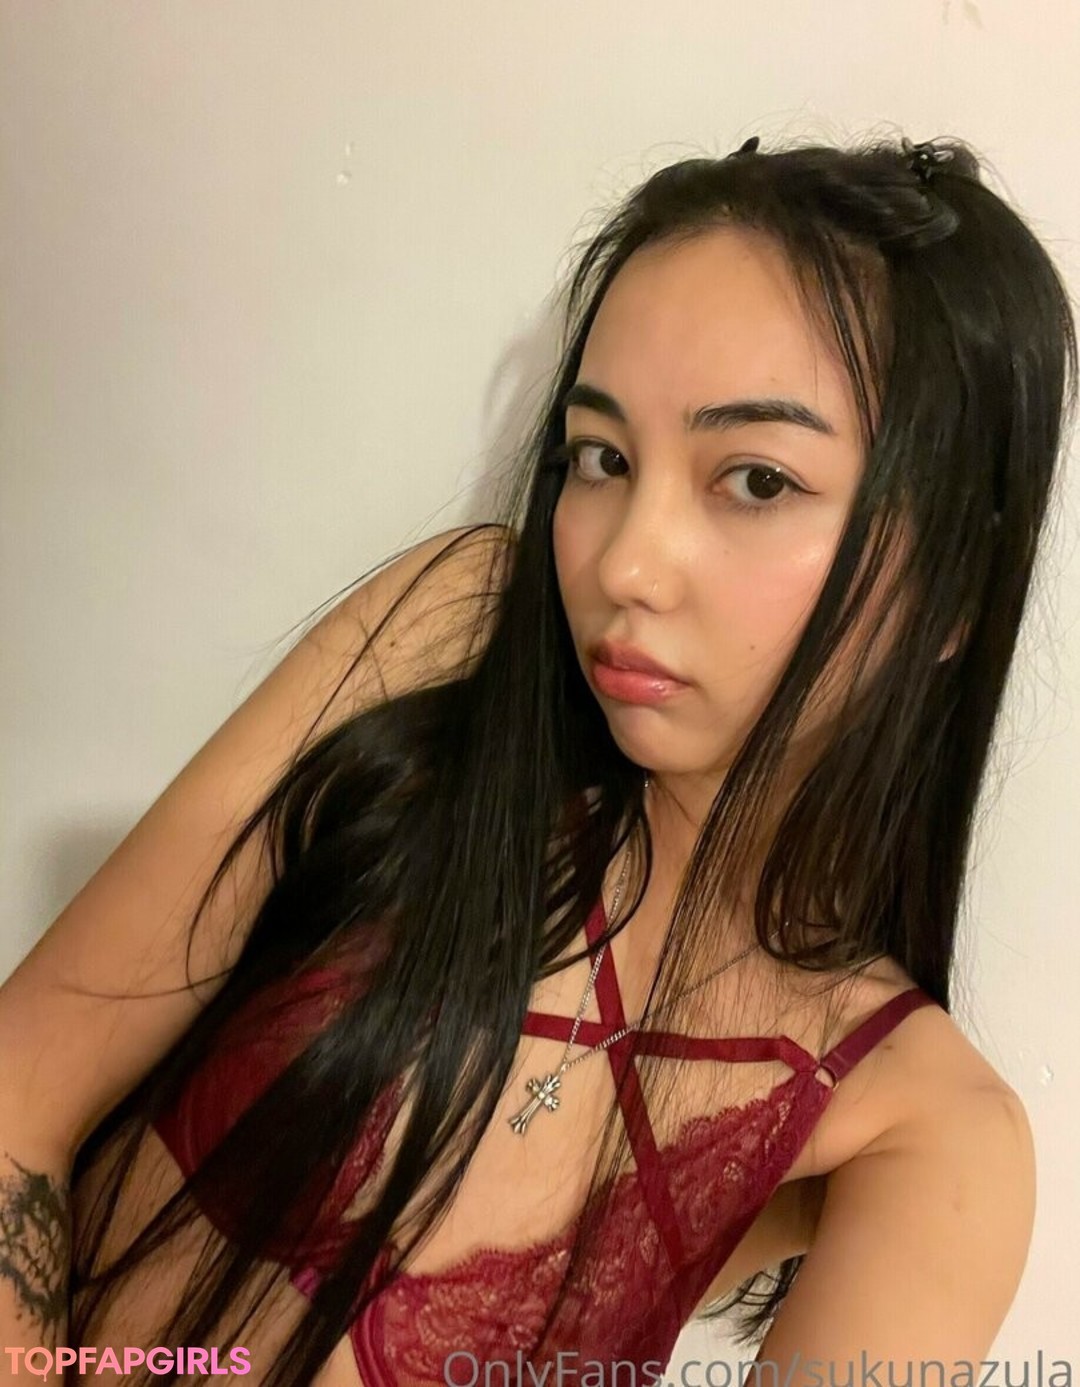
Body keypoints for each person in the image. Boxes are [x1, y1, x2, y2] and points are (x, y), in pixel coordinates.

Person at [1, 131, 1075, 1387]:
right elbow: (22, 1090)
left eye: (755, 479)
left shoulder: (920, 1125)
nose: (624, 561)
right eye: (601, 458)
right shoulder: (451, 636)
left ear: (954, 587)